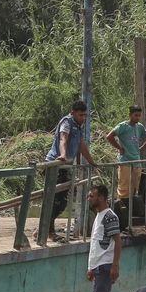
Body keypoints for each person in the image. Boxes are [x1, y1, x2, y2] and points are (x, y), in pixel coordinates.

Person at [44, 100, 99, 240]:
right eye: (81, 115)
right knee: (55, 201)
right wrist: (62, 155)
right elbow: (63, 139)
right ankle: (48, 232)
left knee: (61, 202)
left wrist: (91, 162)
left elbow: (81, 145)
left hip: (65, 166)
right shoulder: (67, 122)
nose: (83, 118)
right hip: (55, 165)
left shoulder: (78, 126)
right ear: (73, 112)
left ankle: (42, 229)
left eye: (85, 115)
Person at [85, 184, 122, 292]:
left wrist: (115, 265)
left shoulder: (109, 216)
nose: (89, 199)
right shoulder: (98, 216)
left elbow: (118, 241)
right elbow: (95, 245)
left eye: (91, 196)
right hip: (98, 266)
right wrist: (90, 267)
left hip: (106, 265)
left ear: (101, 197)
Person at [106, 105, 146, 207]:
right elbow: (109, 136)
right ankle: (121, 207)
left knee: (135, 185)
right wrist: (119, 148)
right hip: (125, 159)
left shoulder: (140, 127)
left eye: (139, 116)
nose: (137, 118)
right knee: (123, 186)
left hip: (136, 160)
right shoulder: (123, 126)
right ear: (130, 115)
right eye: (136, 115)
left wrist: (142, 148)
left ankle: (132, 207)